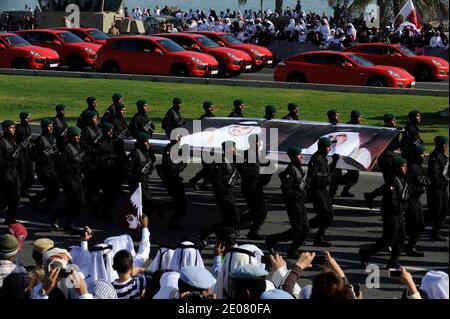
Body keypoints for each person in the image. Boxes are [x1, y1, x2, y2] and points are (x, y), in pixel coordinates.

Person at [359, 157, 409, 269]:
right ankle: (366, 253)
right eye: (403, 166)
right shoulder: (392, 180)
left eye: (405, 165)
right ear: (396, 168)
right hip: (390, 213)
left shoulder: (401, 178)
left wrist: (371, 195)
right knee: (389, 239)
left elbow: (383, 189)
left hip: (399, 212)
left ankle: (393, 260)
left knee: (401, 237)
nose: (406, 168)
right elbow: (392, 199)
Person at [265, 147, 309, 259]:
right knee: (298, 230)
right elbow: (287, 190)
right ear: (293, 157)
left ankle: (293, 251)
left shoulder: (298, 168)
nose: (301, 157)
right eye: (299, 155)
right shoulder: (290, 170)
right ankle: (272, 239)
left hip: (299, 202)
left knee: (305, 229)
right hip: (293, 204)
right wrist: (299, 195)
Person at [199, 141, 240, 243]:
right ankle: (209, 233)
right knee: (231, 217)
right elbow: (216, 179)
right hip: (223, 194)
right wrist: (224, 190)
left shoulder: (232, 159)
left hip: (227, 192)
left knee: (230, 217)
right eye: (233, 148)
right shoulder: (221, 161)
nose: (235, 149)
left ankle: (222, 234)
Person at [53, 127, 87, 233]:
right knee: (77, 202)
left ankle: (58, 217)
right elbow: (59, 165)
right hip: (69, 179)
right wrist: (73, 168)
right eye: (76, 135)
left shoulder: (78, 146)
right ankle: (68, 224)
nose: (78, 137)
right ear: (71, 136)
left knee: (79, 203)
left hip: (77, 177)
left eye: (79, 135)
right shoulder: (64, 148)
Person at [364, 113, 401, 208]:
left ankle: (373, 195)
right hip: (385, 158)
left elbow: (395, 146)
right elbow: (390, 146)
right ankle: (374, 196)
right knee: (391, 181)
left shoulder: (391, 131)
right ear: (387, 122)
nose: (395, 122)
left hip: (389, 157)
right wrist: (396, 135)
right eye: (393, 120)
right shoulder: (385, 132)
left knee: (392, 181)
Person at [237, 134, 269, 240]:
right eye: (256, 141)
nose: (258, 143)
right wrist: (261, 171)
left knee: (257, 210)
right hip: (250, 187)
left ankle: (241, 225)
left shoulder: (259, 155)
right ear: (251, 143)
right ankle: (251, 229)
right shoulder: (245, 155)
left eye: (259, 141)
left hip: (257, 187)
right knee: (261, 210)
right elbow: (244, 171)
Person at [307, 137, 338, 247]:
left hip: (323, 190)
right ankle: (305, 229)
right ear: (321, 147)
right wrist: (327, 178)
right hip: (317, 191)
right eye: (327, 147)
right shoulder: (316, 159)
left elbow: (327, 172)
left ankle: (318, 236)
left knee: (329, 215)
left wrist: (334, 162)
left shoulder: (323, 158)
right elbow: (315, 176)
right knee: (325, 214)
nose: (329, 149)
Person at [94, 122, 126, 220]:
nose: (111, 133)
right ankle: (104, 212)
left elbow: (121, 155)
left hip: (115, 172)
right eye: (108, 131)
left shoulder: (115, 142)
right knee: (109, 193)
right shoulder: (99, 144)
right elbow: (97, 160)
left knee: (115, 193)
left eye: (112, 131)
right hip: (105, 173)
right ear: (104, 132)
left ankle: (100, 205)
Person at [29, 119, 60, 217]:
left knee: (55, 188)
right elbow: (32, 155)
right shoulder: (39, 140)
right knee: (52, 188)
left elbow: (55, 150)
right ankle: (44, 205)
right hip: (42, 168)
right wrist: (42, 157)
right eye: (48, 126)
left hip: (51, 167)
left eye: (52, 126)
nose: (51, 128)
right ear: (43, 127)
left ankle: (38, 200)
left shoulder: (52, 137)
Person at [126, 132, 158, 219]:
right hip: (137, 184)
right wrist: (136, 179)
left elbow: (151, 161)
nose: (148, 143)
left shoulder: (146, 152)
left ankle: (142, 219)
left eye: (148, 141)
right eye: (145, 141)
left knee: (145, 204)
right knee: (148, 203)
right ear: (140, 142)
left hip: (144, 182)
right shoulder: (135, 154)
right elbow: (127, 171)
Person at [159, 135, 187, 230]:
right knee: (181, 201)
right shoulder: (170, 150)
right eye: (180, 138)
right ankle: (172, 223)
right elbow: (171, 167)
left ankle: (161, 208)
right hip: (171, 179)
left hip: (174, 178)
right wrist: (182, 165)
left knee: (177, 200)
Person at [404, 145, 428, 256]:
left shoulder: (418, 166)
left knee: (419, 225)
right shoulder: (411, 167)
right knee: (417, 225)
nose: (424, 155)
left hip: (416, 200)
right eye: (422, 153)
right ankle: (409, 247)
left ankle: (408, 245)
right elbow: (407, 185)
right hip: (410, 201)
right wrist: (419, 188)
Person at [427, 136, 448, 241]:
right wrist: (440, 183)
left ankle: (435, 232)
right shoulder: (435, 157)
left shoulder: (442, 156)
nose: (446, 146)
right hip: (436, 188)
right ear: (439, 144)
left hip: (442, 187)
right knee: (436, 211)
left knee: (444, 209)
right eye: (444, 144)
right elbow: (434, 174)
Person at [0, 120, 21, 225]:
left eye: (14, 127)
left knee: (16, 196)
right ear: (5, 129)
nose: (14, 129)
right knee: (6, 198)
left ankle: (10, 218)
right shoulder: (1, 143)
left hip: (14, 172)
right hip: (5, 173)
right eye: (11, 128)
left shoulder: (13, 140)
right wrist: (10, 160)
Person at [339, 110, 362, 197]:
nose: (360, 119)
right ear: (353, 118)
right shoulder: (348, 128)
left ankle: (340, 184)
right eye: (358, 117)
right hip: (347, 154)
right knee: (354, 174)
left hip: (354, 154)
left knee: (353, 173)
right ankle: (341, 186)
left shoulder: (359, 127)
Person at [15, 112, 34, 197]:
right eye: (27, 118)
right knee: (22, 174)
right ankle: (18, 192)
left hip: (28, 154)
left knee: (31, 175)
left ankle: (22, 189)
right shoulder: (18, 129)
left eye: (29, 117)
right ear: (22, 119)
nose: (29, 119)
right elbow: (14, 142)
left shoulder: (28, 127)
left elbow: (30, 139)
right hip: (21, 155)